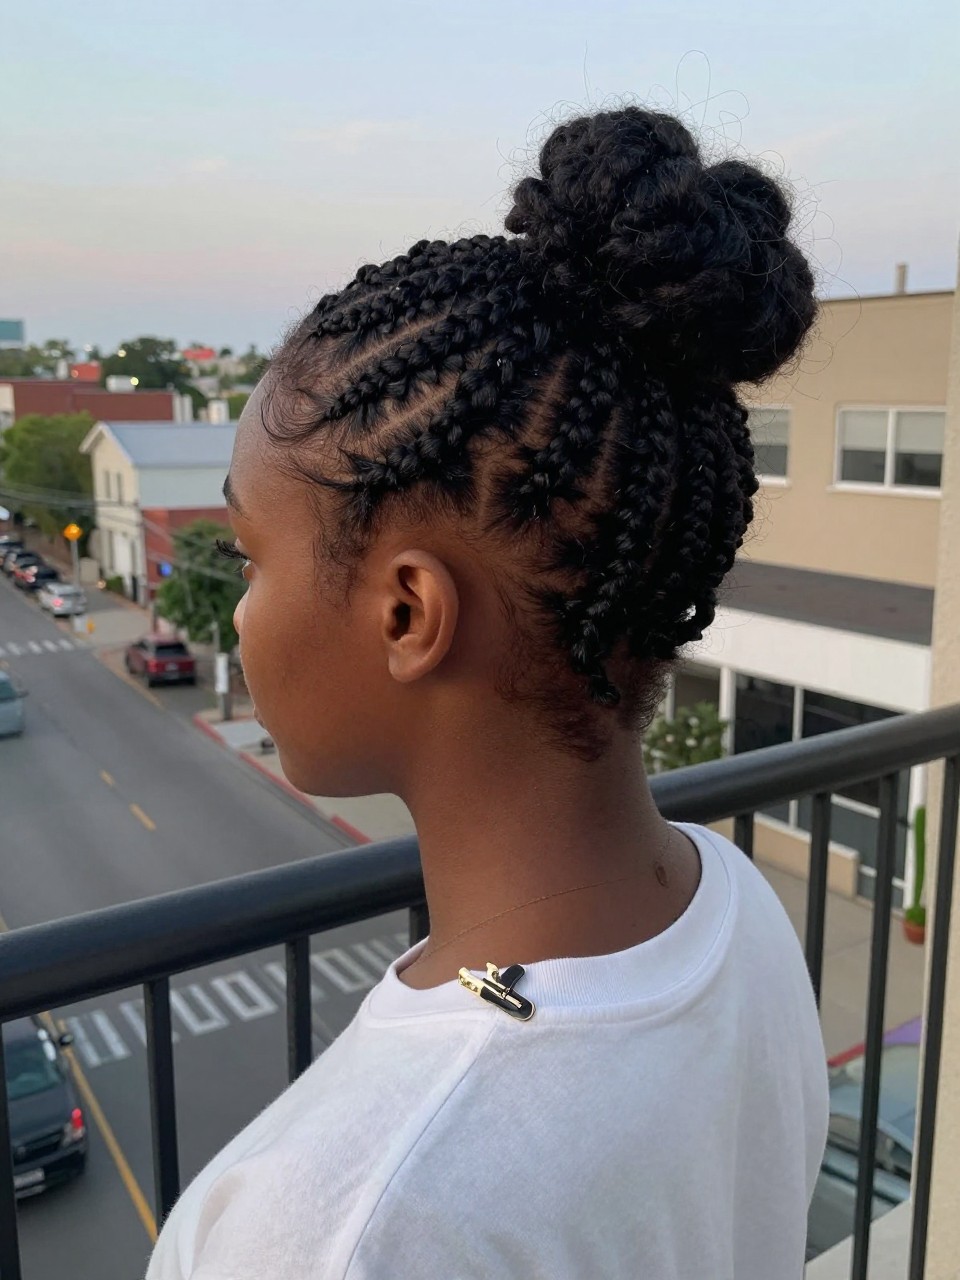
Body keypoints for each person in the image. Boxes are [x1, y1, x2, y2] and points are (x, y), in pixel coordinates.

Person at [147, 106, 827, 1280]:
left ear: (408, 613)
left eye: (252, 554)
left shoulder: (340, 1228)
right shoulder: (736, 914)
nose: (238, 606)